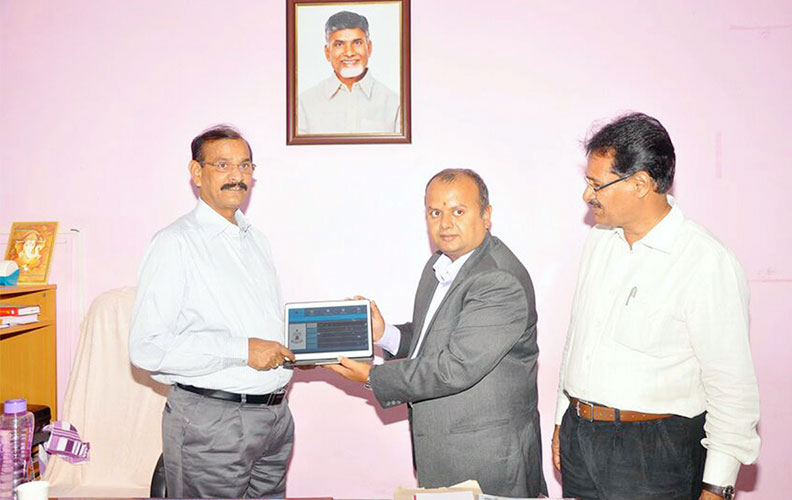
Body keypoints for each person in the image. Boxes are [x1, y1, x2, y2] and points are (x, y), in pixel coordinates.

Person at [552, 113, 760, 500]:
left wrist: (716, 488)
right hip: (581, 440)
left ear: (641, 183)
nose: (587, 195)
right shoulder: (600, 241)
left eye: (596, 184)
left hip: (653, 454)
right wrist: (563, 417)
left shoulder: (705, 262)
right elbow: (578, 338)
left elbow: (732, 390)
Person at [329, 169, 548, 497]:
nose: (445, 224)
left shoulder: (498, 280)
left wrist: (373, 376)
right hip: (444, 452)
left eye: (458, 211)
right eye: (435, 212)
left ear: (486, 216)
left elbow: (455, 366)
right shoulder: (440, 265)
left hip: (486, 461)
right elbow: (435, 339)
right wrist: (384, 333)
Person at [129, 125, 296, 499]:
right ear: (196, 172)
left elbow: (250, 321)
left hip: (273, 420)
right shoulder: (175, 243)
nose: (237, 176)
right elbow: (147, 348)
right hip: (213, 422)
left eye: (245, 165)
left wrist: (317, 339)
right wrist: (242, 350)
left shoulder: (256, 240)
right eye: (223, 165)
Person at [297, 10, 400, 135]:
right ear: (327, 52)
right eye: (339, 44)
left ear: (369, 47)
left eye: (357, 43)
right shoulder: (304, 104)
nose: (349, 53)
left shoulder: (395, 104)